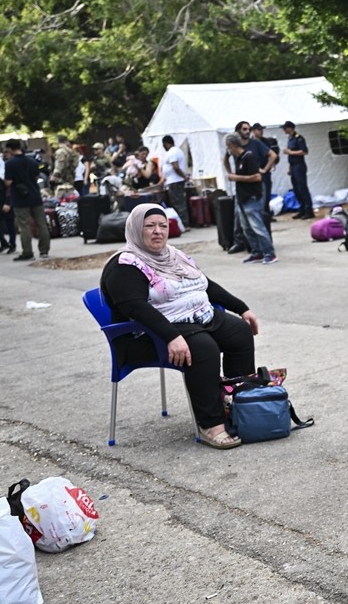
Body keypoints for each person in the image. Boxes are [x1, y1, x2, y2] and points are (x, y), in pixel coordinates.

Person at [100, 204, 260, 450]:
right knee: (203, 348)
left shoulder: (174, 256)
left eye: (163, 226)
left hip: (195, 319)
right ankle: (211, 424)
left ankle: (239, 405)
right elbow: (135, 308)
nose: (158, 231)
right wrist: (171, 336)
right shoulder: (124, 265)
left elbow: (205, 285)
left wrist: (242, 308)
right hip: (147, 335)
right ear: (135, 228)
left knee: (239, 332)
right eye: (149, 226)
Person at [223, 134, 277, 264]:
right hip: (242, 197)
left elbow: (257, 177)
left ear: (232, 145)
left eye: (228, 147)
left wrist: (236, 178)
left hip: (251, 197)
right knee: (246, 228)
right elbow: (225, 162)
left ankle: (270, 252)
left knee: (257, 226)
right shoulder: (239, 159)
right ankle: (256, 252)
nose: (228, 149)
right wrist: (228, 162)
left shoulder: (249, 157)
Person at [2, 140, 50, 261]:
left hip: (20, 199)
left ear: (10, 148)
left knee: (24, 226)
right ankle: (44, 251)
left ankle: (28, 252)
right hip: (35, 196)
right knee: (41, 224)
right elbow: (37, 177)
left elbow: (8, 182)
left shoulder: (9, 163)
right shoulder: (32, 161)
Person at [283, 121, 314, 220]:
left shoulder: (298, 138)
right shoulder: (290, 139)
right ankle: (302, 209)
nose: (284, 130)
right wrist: (289, 167)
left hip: (299, 166)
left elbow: (304, 151)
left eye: (285, 128)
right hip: (293, 166)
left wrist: (290, 152)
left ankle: (309, 210)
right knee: (296, 189)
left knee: (302, 188)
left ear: (290, 128)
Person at [161, 135, 190, 232]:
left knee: (178, 203)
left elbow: (176, 167)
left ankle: (184, 224)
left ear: (166, 143)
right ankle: (182, 224)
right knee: (178, 202)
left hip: (175, 181)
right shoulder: (176, 151)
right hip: (174, 181)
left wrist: (183, 176)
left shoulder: (172, 152)